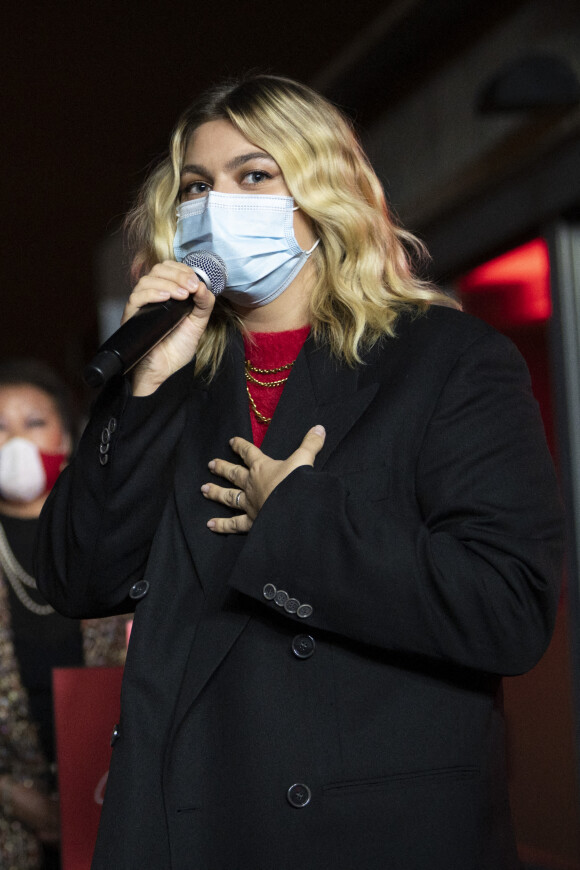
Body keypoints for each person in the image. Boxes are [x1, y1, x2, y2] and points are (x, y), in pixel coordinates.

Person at [36, 76, 563, 870]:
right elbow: (79, 578)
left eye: (254, 175)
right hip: (194, 821)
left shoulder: (444, 360)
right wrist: (142, 395)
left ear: (324, 191)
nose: (218, 204)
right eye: (196, 187)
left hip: (375, 829)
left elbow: (507, 609)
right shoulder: (176, 375)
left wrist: (297, 521)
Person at [0, 359, 128, 870]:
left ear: (68, 436)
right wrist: (17, 797)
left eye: (33, 423)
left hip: (114, 807)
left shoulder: (110, 537)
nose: (16, 444)